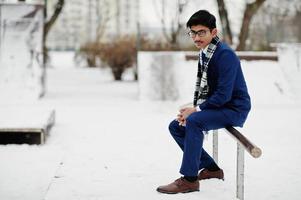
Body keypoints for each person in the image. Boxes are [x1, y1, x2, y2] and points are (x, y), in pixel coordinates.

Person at [156, 10, 251, 194]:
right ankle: (212, 169)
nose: (196, 37)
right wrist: (192, 109)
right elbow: (207, 89)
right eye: (193, 32)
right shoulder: (206, 52)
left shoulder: (225, 55)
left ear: (213, 32)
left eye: (201, 32)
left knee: (194, 121)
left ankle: (190, 180)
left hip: (234, 108)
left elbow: (223, 94)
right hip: (220, 106)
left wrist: (196, 110)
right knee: (175, 126)